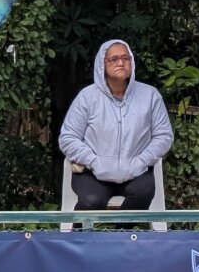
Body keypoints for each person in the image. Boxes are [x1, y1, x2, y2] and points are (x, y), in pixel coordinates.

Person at [59, 39, 173, 211]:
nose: (121, 62)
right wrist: (94, 161)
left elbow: (164, 136)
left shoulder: (150, 96)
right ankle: (78, 230)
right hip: (92, 172)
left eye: (125, 58)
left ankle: (123, 228)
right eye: (114, 59)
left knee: (144, 191)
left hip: (136, 171)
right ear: (102, 65)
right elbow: (68, 138)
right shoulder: (87, 97)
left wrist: (141, 161)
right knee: (92, 200)